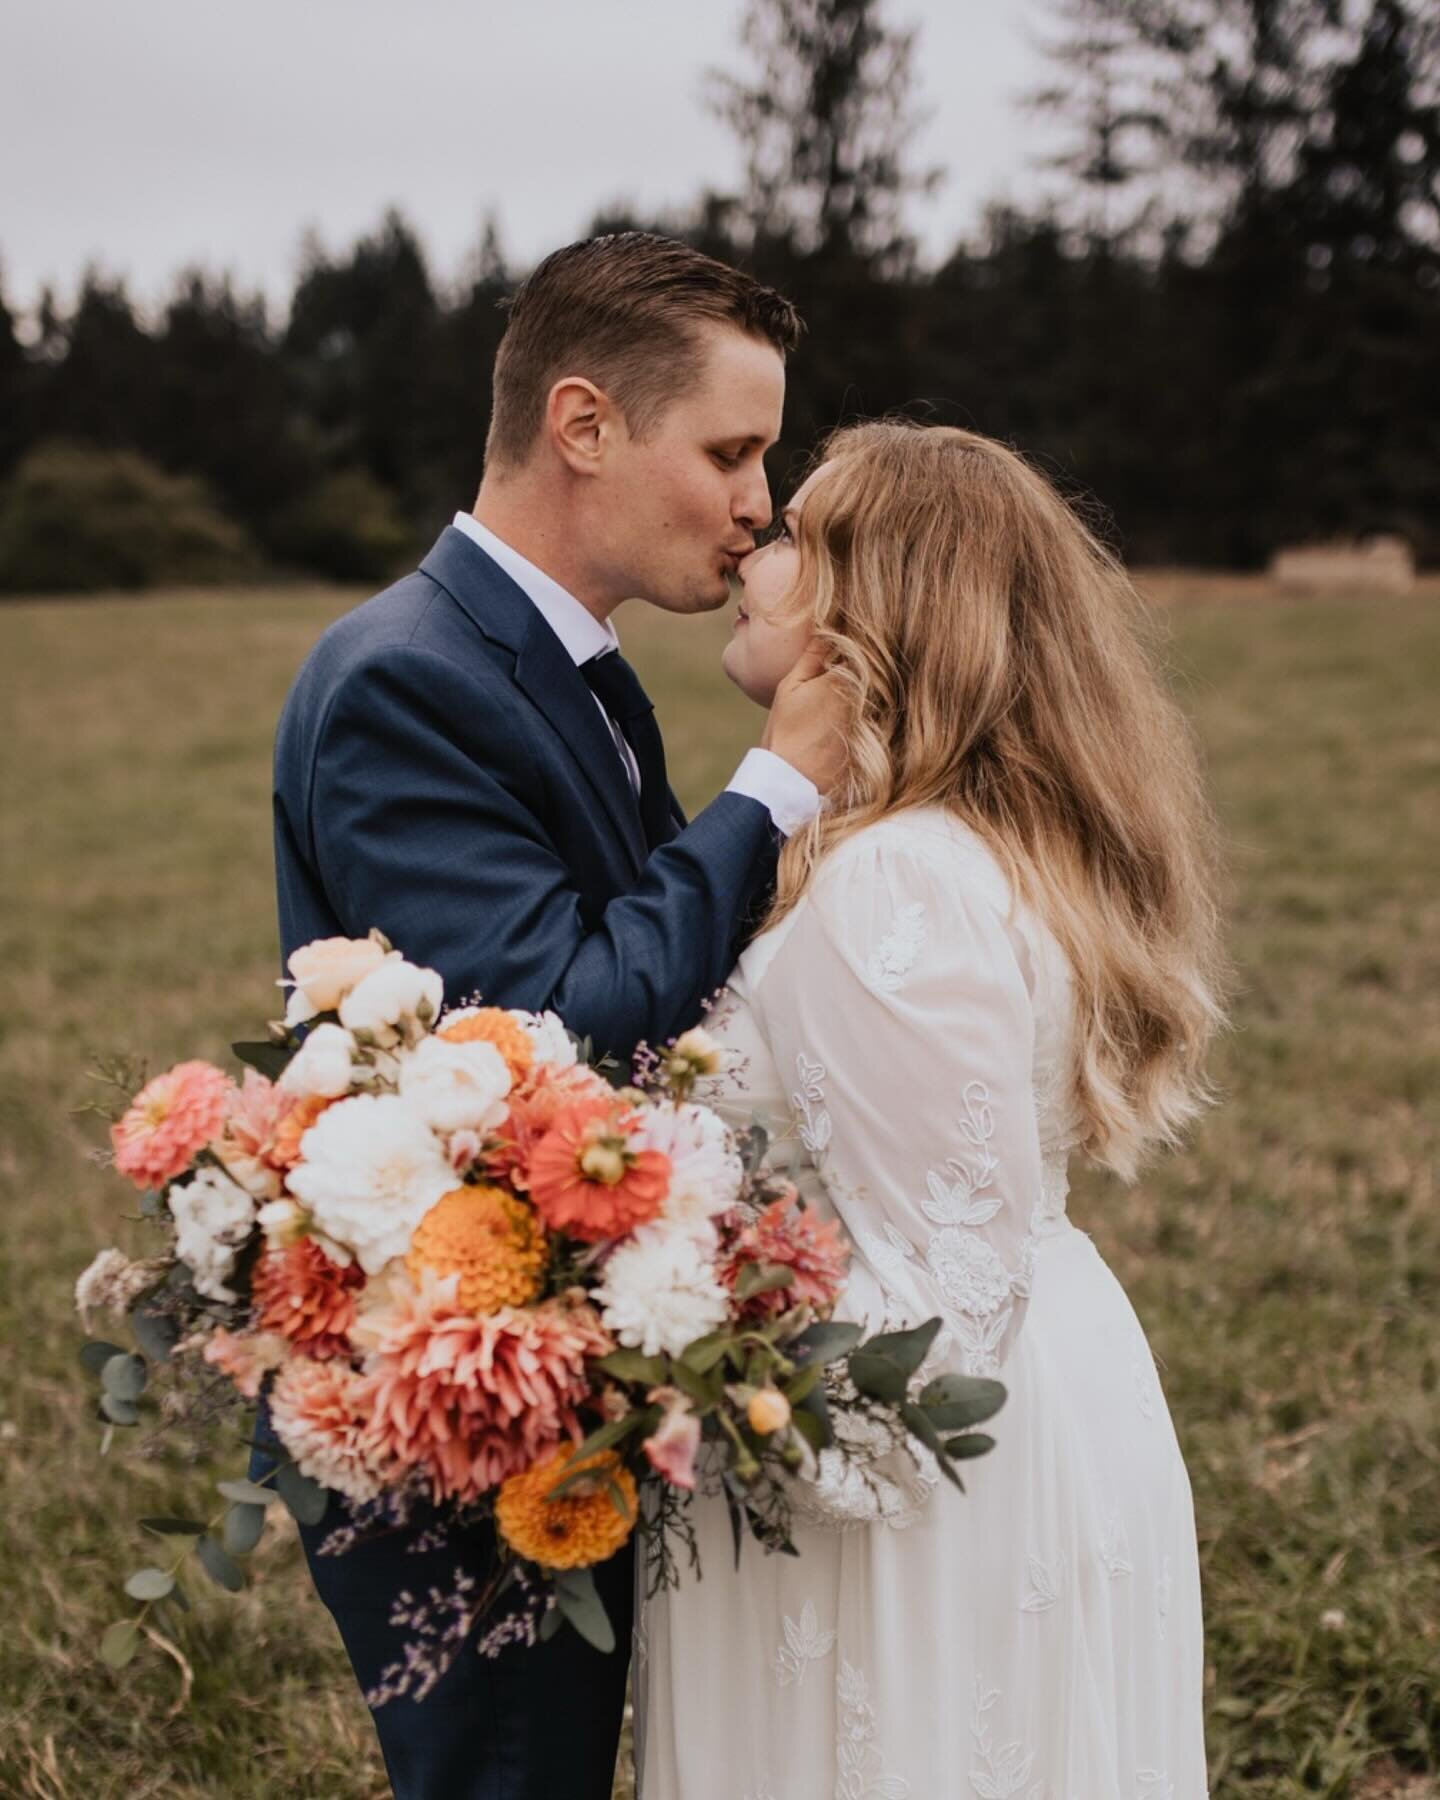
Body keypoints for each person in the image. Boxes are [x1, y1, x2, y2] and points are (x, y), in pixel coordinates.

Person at [268, 232, 847, 1800]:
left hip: (555, 1357)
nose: (758, 504)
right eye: (730, 450)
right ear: (583, 427)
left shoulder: (572, 666)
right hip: (459, 1401)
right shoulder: (408, 678)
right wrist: (780, 784)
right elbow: (564, 1021)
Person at [636, 421, 1225, 1799]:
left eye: (795, 538)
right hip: (1033, 1395)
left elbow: (936, 1317)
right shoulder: (957, 851)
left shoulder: (894, 882)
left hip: (919, 1485)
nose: (755, 541)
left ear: (873, 603)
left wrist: (659, 1352)